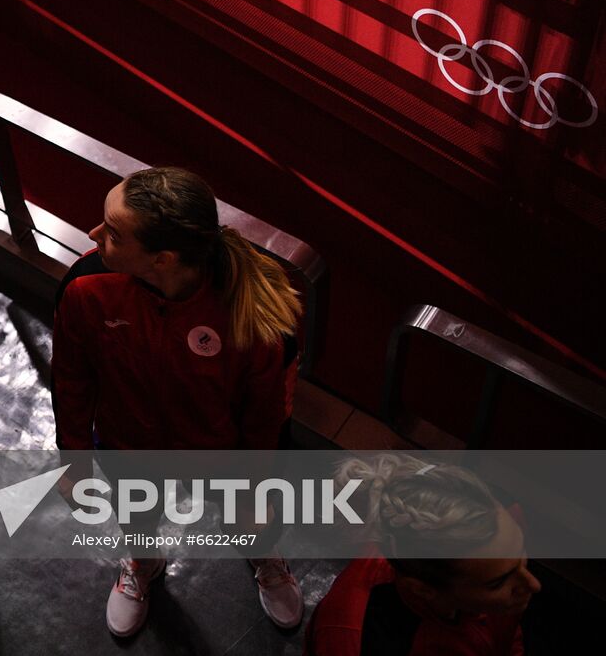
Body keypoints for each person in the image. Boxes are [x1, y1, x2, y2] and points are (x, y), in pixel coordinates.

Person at [51, 166, 305, 636]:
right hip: (129, 447)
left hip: (220, 457)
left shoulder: (254, 314)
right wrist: (74, 460)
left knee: (252, 515)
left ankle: (262, 551)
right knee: (138, 517)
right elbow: (71, 378)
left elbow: (268, 414)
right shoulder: (87, 289)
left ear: (162, 258)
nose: (93, 234)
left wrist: (255, 491)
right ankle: (144, 563)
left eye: (112, 232)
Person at [305, 454, 538, 655]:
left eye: (521, 555)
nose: (533, 584)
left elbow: (506, 636)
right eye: (497, 583)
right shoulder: (351, 641)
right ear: (423, 590)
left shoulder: (499, 528)